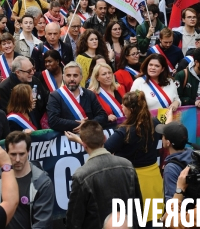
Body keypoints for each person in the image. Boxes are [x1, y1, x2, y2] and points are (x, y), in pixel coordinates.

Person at [65, 120, 142, 229]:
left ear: (84, 145)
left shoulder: (81, 175)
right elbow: (138, 207)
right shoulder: (127, 165)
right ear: (105, 138)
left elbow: (74, 221)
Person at [104, 91, 163, 225]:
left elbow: (104, 150)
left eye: (123, 105)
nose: (121, 106)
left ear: (131, 109)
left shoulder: (124, 131)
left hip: (132, 181)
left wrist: (80, 141)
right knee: (155, 220)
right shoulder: (154, 122)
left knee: (133, 221)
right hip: (154, 179)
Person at [0, 131, 54, 229]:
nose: (17, 159)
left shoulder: (42, 183)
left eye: (22, 154)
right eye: (13, 154)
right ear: (6, 152)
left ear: (28, 151)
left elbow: (41, 225)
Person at [46, 61, 108, 132]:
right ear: (63, 77)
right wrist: (80, 125)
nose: (72, 79)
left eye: (75, 75)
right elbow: (53, 121)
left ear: (81, 77)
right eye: (68, 75)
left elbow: (103, 116)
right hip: (67, 140)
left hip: (90, 139)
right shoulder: (55, 96)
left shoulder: (89, 94)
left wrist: (88, 124)